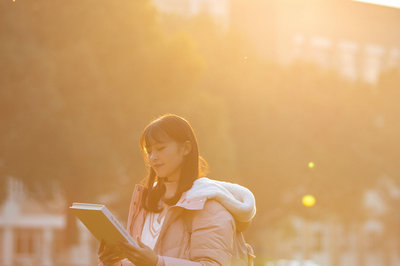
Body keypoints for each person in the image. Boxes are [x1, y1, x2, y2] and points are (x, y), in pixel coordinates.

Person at [98, 114, 256, 266]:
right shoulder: (148, 202)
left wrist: (156, 263)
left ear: (186, 148)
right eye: (149, 151)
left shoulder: (209, 205)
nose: (153, 157)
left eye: (160, 148)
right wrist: (112, 263)